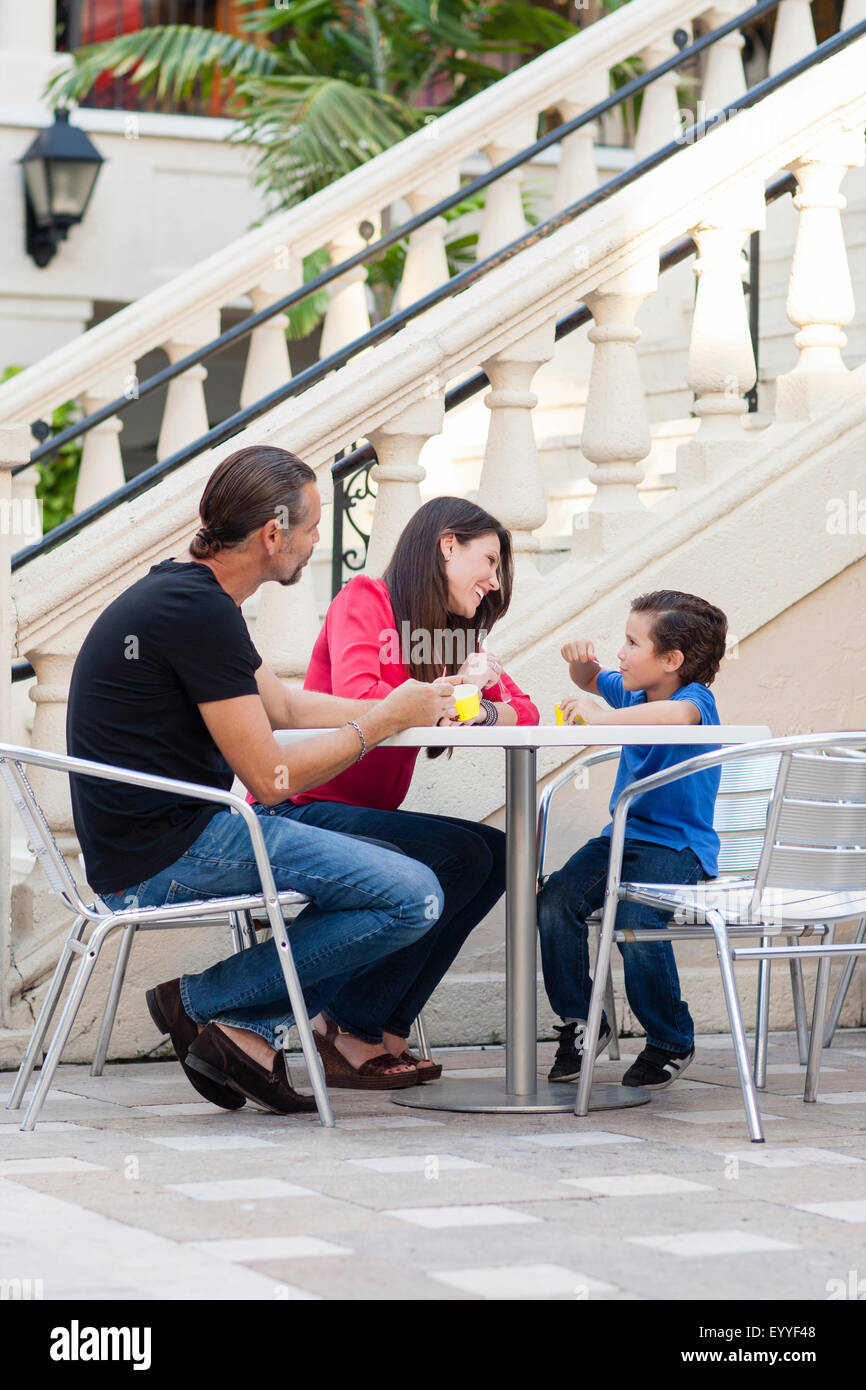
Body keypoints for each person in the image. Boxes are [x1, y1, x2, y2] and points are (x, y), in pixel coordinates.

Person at [65, 445, 458, 1115]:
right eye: (311, 527)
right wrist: (382, 723)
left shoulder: (188, 590)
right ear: (274, 534)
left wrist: (401, 705)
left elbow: (284, 709)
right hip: (169, 854)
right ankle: (199, 1003)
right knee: (413, 895)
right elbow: (272, 777)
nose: (313, 543)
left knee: (393, 872)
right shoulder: (198, 610)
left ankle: (247, 1029)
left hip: (169, 837)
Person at [252, 497, 540, 1087]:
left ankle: (384, 1026)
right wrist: (447, 694)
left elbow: (527, 712)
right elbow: (365, 696)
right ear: (447, 546)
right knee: (459, 856)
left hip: (358, 817)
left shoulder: (453, 637)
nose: (494, 580)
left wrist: (478, 705)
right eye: (488, 559)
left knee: (499, 856)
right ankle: (348, 1027)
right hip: (301, 810)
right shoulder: (366, 600)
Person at [537, 590, 727, 1090]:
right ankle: (584, 1021)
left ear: (672, 660)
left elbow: (677, 719)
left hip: (679, 850)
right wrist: (583, 666)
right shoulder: (635, 692)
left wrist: (600, 719)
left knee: (635, 917)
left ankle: (669, 1039)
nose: (622, 653)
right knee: (556, 900)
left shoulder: (694, 702)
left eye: (631, 642)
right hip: (621, 839)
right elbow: (590, 681)